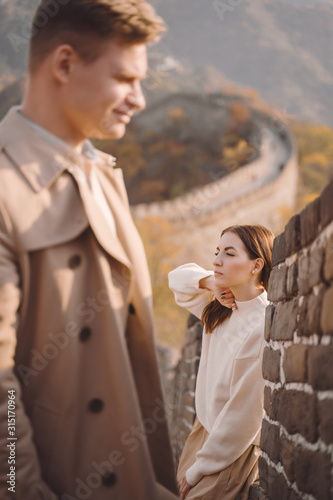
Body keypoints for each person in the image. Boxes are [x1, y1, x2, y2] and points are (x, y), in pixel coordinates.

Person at [0, 1, 179, 499]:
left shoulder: (104, 178)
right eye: (125, 78)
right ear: (64, 64)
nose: (138, 99)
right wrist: (22, 489)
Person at [169, 224, 274, 500]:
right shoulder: (219, 308)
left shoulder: (261, 325)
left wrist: (197, 470)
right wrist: (210, 283)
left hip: (228, 452)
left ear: (256, 265)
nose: (216, 261)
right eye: (217, 252)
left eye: (229, 253)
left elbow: (244, 415)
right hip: (201, 434)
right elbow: (176, 280)